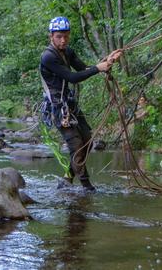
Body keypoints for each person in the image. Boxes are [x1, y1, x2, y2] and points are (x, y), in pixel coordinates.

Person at [40, 16, 122, 192]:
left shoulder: (68, 52)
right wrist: (98, 68)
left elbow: (83, 69)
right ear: (51, 37)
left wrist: (107, 61)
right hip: (57, 108)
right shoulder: (48, 57)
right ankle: (87, 187)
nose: (63, 40)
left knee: (88, 141)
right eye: (59, 36)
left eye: (66, 36)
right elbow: (72, 78)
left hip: (69, 104)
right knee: (76, 146)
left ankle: (68, 179)